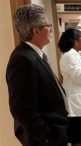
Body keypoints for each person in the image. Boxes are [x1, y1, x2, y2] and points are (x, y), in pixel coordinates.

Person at [6, 4, 68, 146]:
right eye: (48, 26)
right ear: (36, 31)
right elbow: (22, 110)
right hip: (44, 140)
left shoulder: (34, 54)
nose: (51, 30)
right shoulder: (22, 59)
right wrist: (46, 136)